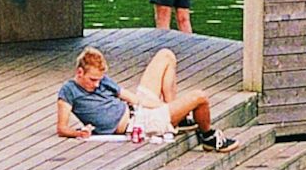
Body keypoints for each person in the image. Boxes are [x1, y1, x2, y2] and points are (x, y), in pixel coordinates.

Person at [55, 45, 239, 151]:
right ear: (80, 72)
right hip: (138, 125)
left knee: (166, 55)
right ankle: (208, 137)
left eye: (99, 80)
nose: (96, 85)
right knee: (200, 97)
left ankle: (176, 117)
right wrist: (78, 133)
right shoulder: (69, 91)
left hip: (138, 110)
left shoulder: (102, 81)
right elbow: (62, 128)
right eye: (92, 80)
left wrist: (160, 107)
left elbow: (133, 98)